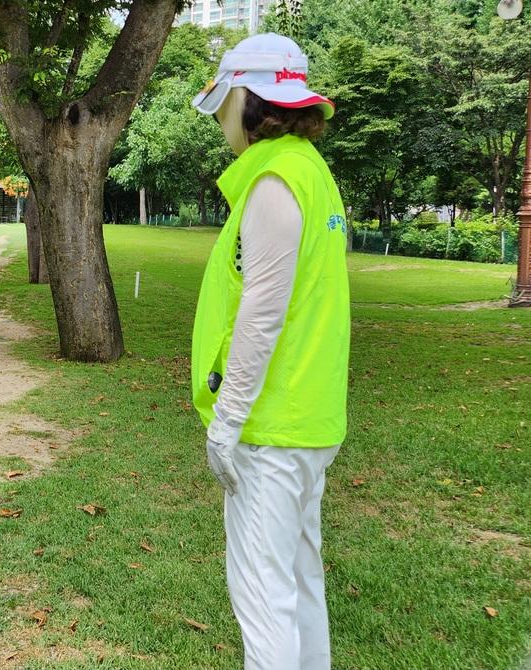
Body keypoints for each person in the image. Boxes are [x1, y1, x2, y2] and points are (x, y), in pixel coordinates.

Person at [189, 33, 350, 670]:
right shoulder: (309, 172)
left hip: (271, 428)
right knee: (297, 578)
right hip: (305, 419)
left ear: (249, 101)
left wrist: (227, 422)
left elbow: (262, 314)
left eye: (227, 103)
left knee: (263, 595)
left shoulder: (276, 181)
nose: (223, 121)